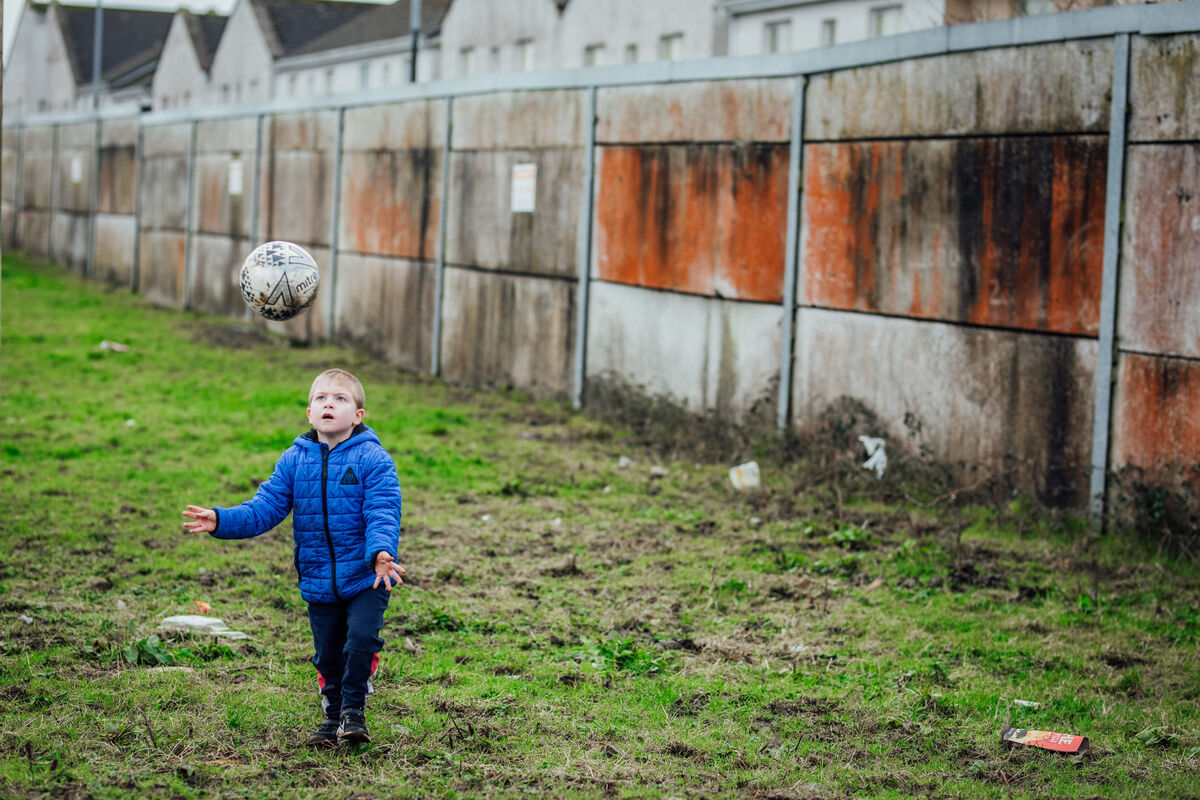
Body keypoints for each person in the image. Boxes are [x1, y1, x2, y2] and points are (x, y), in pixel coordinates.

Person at [183, 368, 405, 747]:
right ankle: (331, 716)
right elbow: (264, 508)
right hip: (318, 576)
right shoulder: (294, 460)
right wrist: (221, 519)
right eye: (321, 398)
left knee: (361, 640)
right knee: (327, 655)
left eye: (340, 399)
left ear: (358, 415)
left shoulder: (373, 459)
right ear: (309, 413)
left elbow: (383, 509)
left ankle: (353, 712)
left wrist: (381, 552)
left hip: (367, 575)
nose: (329, 404)